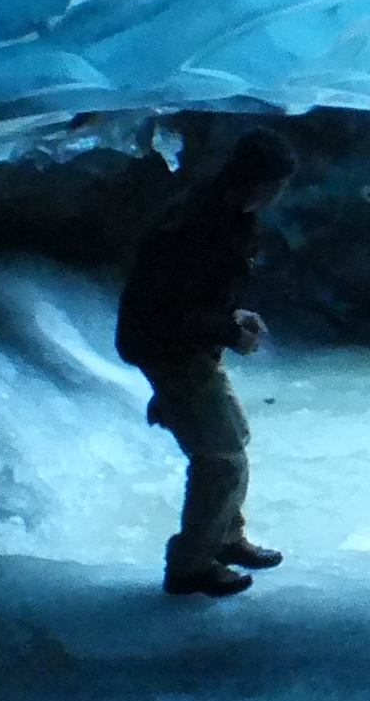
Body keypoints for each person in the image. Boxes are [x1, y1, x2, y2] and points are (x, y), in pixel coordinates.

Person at [116, 129, 298, 597]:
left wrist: (230, 317)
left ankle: (224, 538)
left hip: (179, 344)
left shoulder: (222, 214)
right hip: (169, 347)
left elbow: (195, 294)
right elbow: (171, 306)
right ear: (265, 183)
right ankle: (191, 564)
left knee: (232, 437)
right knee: (221, 456)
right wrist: (229, 332)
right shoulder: (200, 224)